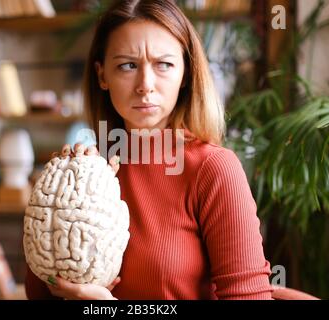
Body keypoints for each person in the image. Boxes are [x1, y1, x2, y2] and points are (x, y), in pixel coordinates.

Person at [25, 0, 273, 300]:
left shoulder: (214, 169)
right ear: (102, 75)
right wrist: (53, 206)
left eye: (164, 64)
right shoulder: (90, 172)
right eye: (127, 65)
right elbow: (39, 292)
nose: (145, 84)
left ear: (186, 73)